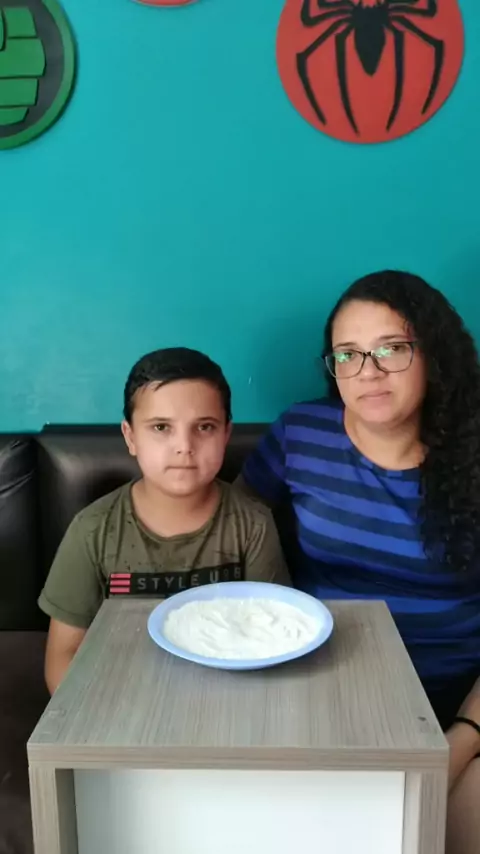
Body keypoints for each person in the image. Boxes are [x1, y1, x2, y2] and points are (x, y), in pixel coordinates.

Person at [236, 271, 480, 854]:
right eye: (347, 354)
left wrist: (460, 740)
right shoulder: (302, 434)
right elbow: (236, 523)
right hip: (322, 696)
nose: (367, 371)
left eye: (391, 348)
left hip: (457, 708)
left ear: (433, 353)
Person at [39, 347, 290, 695]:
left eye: (204, 427)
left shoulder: (253, 525)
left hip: (227, 695)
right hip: (120, 694)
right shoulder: (92, 530)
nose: (184, 446)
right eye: (161, 427)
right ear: (130, 437)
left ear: (226, 434)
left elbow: (273, 636)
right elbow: (63, 656)